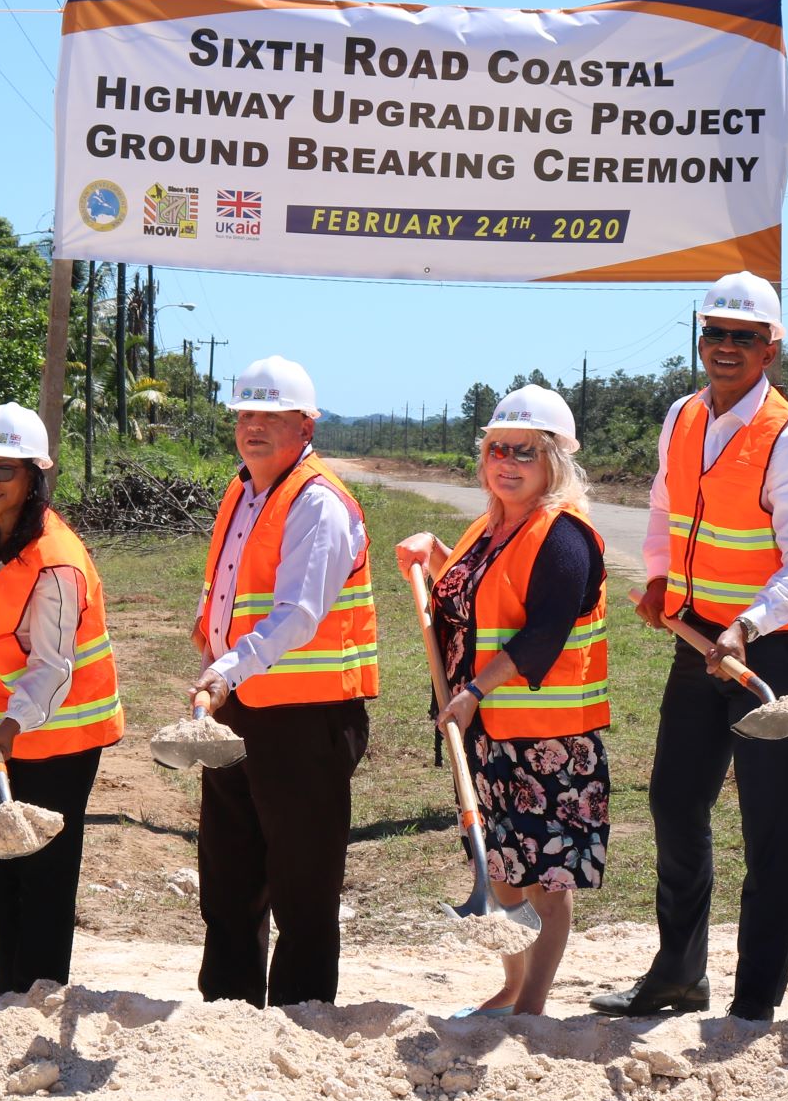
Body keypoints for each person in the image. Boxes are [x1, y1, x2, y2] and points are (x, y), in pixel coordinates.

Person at [592, 271, 788, 1023]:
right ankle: (678, 974)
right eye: (714, 334)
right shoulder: (682, 417)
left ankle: (754, 998)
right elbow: (664, 508)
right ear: (700, 339)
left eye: (743, 337)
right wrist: (662, 580)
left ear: (770, 349)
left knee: (767, 822)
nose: (725, 348)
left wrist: (747, 627)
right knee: (673, 800)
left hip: (770, 651)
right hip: (696, 639)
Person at [395, 384, 609, 1019]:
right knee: (504, 869)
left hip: (548, 742)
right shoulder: (487, 528)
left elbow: (544, 631)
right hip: (489, 736)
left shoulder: (565, 536)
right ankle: (511, 988)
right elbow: (468, 600)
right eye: (496, 449)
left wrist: (472, 691)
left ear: (553, 464)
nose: (507, 462)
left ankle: (533, 1005)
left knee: (545, 879)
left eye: (524, 452)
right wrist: (435, 556)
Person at [193, 355, 378, 1009]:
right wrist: (208, 634)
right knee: (227, 873)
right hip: (240, 707)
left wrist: (225, 667)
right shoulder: (242, 490)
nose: (253, 427)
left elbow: (298, 614)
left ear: (306, 424)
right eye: (245, 414)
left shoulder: (317, 502)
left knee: (301, 886)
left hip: (306, 719)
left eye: (271, 416)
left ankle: (302, 1017)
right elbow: (230, 588)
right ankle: (230, 1009)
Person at [0, 402, 124, 994]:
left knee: (44, 872)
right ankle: (7, 994)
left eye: (6, 469)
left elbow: (52, 665)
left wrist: (10, 728)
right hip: (1, 727)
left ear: (34, 476)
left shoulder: (56, 562)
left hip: (61, 734)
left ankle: (40, 995)